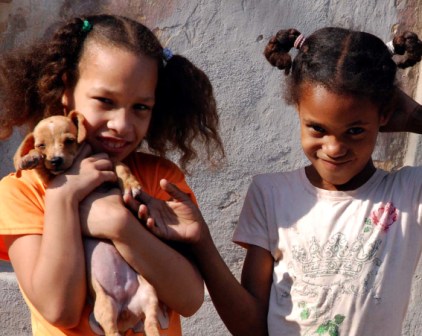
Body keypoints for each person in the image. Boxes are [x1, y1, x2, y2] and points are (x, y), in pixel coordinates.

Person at [130, 27, 422, 336]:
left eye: (354, 131)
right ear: (298, 108)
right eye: (318, 129)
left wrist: (416, 118)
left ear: (386, 114)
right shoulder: (271, 194)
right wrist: (201, 241)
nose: (334, 148)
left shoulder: (408, 194)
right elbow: (251, 328)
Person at [0, 14, 224, 336]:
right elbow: (59, 309)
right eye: (105, 101)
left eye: (141, 107)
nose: (122, 124)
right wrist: (64, 196)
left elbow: (189, 299)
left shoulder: (158, 178)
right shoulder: (21, 192)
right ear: (66, 88)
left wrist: (119, 225)